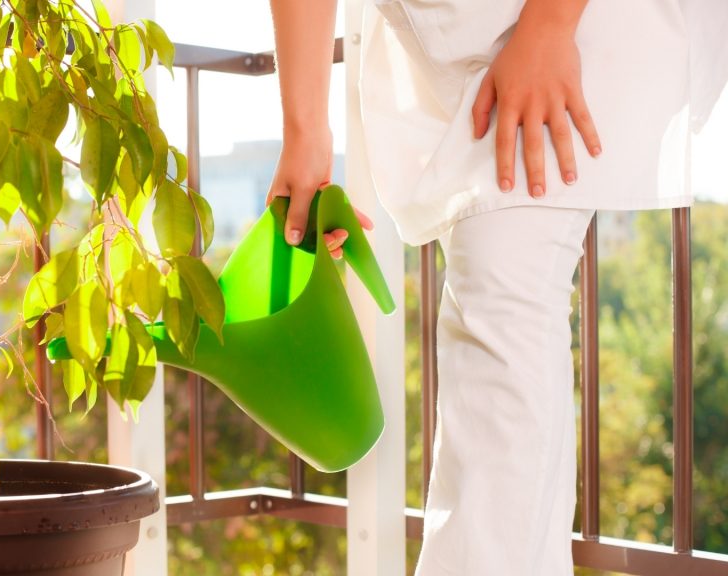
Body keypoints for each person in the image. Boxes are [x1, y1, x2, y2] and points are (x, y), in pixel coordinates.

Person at [267, 0, 728, 574]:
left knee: (501, 298)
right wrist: (304, 130)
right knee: (497, 312)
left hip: (559, 21)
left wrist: (549, 28)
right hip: (468, 32)